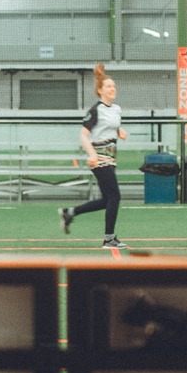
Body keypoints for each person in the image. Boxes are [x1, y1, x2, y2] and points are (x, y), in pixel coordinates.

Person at [60, 63, 127, 249]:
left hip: (112, 158)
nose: (113, 89)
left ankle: (70, 212)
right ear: (100, 91)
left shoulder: (116, 109)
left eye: (114, 86)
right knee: (115, 197)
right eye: (108, 87)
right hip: (99, 158)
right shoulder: (95, 110)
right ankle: (109, 239)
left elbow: (111, 125)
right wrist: (91, 154)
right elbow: (83, 135)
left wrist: (120, 131)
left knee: (106, 200)